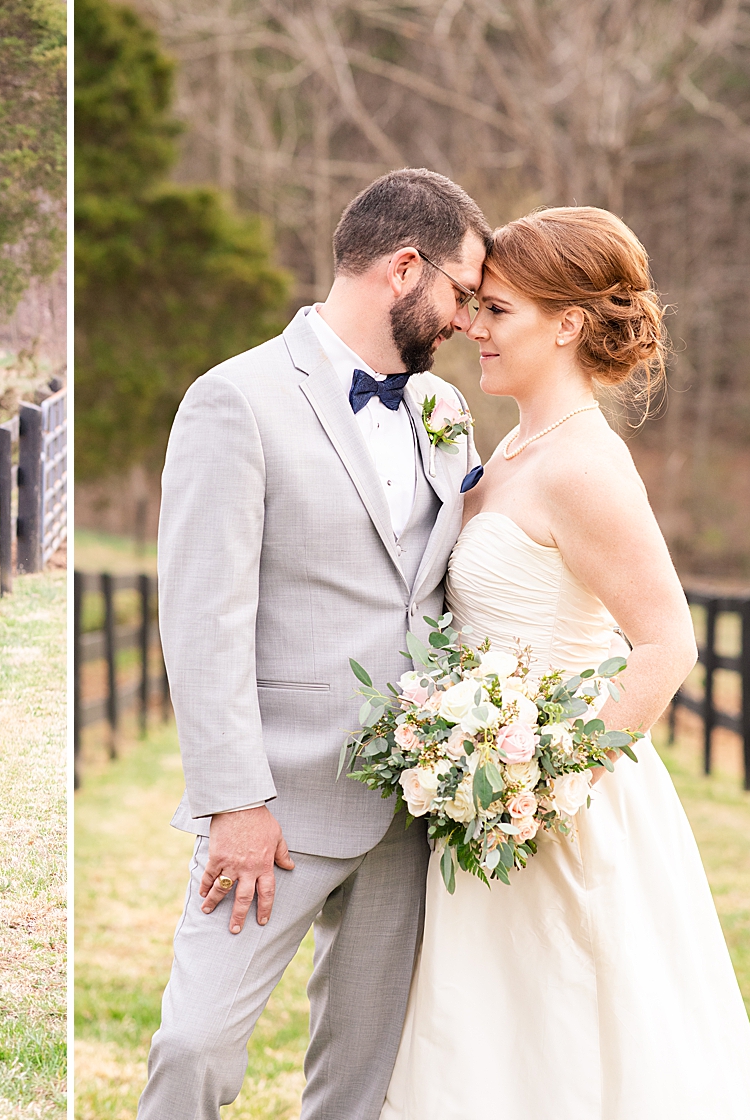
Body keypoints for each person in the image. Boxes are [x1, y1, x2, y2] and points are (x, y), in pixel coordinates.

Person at [378, 207, 750, 1117]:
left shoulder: (587, 467)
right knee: (481, 1043)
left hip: (556, 804)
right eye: (475, 307)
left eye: (498, 311)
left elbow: (668, 644)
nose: (471, 327)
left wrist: (541, 779)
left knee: (564, 1037)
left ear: (565, 324)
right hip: (479, 791)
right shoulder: (508, 449)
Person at [143, 168, 489, 1119]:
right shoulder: (235, 399)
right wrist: (236, 802)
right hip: (277, 808)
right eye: (462, 290)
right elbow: (203, 619)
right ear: (405, 270)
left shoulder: (444, 413)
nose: (465, 319)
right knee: (195, 1046)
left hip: (411, 808)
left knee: (362, 1084)